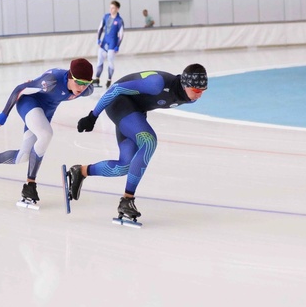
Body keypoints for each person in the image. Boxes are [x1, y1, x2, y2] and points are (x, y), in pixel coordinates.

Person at [66, 63, 208, 221]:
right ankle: (127, 200)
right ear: (185, 84)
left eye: (203, 91)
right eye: (196, 90)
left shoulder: (189, 97)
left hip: (135, 111)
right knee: (149, 141)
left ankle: (81, 171)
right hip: (118, 102)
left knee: (124, 166)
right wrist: (92, 116)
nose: (199, 95)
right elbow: (116, 89)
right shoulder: (157, 83)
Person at [0, 58, 95, 205]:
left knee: (23, 157)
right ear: (70, 76)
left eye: (86, 83)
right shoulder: (52, 80)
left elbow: (87, 88)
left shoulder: (86, 90)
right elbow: (20, 88)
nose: (82, 88)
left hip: (45, 113)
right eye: (78, 83)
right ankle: (30, 185)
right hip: (29, 104)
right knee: (46, 134)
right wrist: (4, 114)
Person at [93, 0, 124, 89]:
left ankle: (109, 79)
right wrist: (98, 39)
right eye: (110, 7)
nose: (111, 9)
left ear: (117, 9)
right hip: (104, 42)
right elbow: (100, 28)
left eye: (113, 8)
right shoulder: (106, 17)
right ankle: (97, 79)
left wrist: (118, 45)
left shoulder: (119, 20)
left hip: (112, 43)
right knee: (100, 60)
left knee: (110, 61)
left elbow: (121, 35)